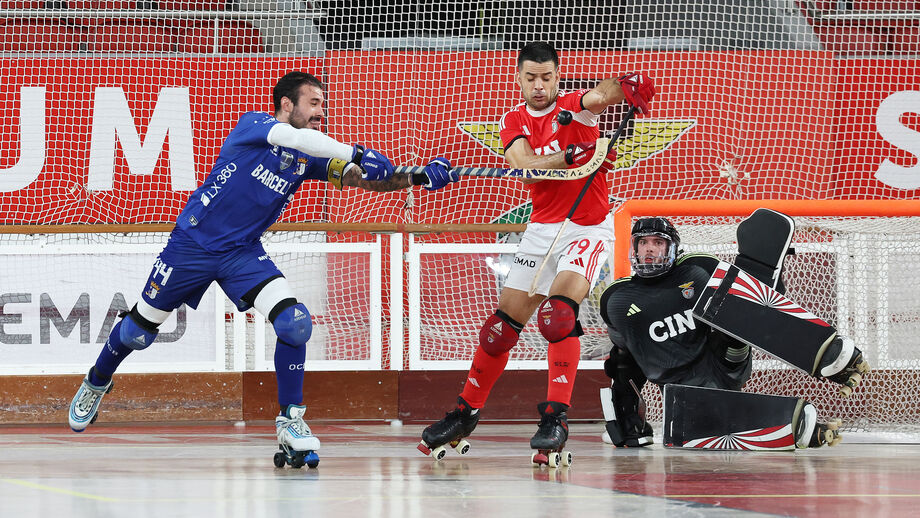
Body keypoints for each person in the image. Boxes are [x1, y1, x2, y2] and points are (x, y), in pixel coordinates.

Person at [68, 71, 458, 466]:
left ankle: (291, 421)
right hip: (192, 245)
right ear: (287, 104)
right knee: (137, 333)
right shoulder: (255, 126)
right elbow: (301, 139)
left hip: (241, 253)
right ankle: (96, 381)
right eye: (314, 103)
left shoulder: (309, 156)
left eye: (323, 105)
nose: (321, 112)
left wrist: (417, 177)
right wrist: (354, 151)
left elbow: (366, 179)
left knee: (295, 324)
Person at [417, 42, 656, 458]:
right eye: (531, 78)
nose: (539, 85)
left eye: (547, 77)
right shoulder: (514, 119)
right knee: (499, 330)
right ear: (518, 78)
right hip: (543, 229)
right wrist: (568, 157)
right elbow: (523, 166)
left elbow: (601, 95)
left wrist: (627, 85)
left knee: (559, 316)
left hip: (588, 226)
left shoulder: (575, 107)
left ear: (558, 76)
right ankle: (465, 411)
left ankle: (554, 418)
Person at [598, 216, 869, 449]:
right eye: (643, 242)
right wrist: (626, 414)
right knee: (623, 362)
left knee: (734, 299)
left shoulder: (697, 267)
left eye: (658, 242)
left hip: (725, 361)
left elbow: (748, 299)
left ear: (672, 247)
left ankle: (827, 355)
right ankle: (798, 427)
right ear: (633, 247)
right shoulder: (616, 298)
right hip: (681, 392)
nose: (649, 249)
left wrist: (765, 290)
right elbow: (625, 362)